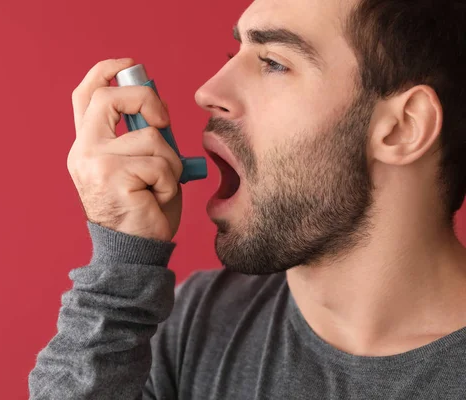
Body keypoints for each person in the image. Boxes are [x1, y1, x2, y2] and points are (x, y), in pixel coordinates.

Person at [28, 0, 466, 398]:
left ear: (404, 127)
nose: (208, 92)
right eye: (233, 54)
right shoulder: (198, 323)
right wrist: (121, 270)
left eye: (273, 62)